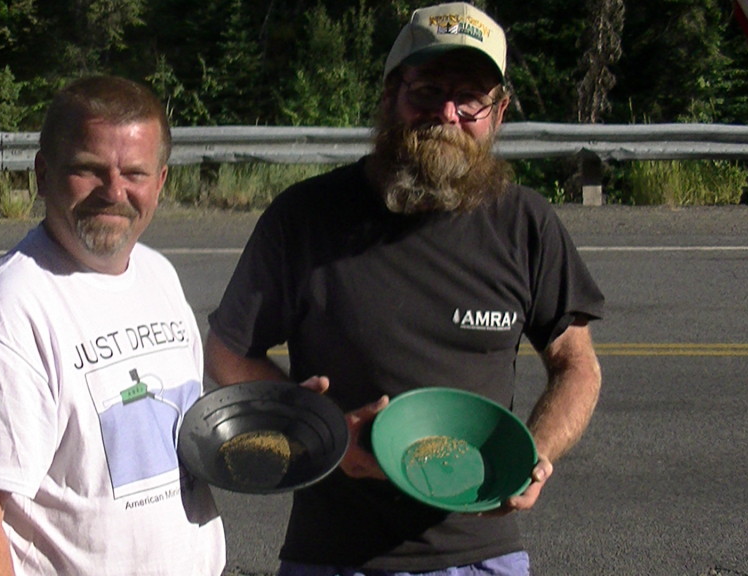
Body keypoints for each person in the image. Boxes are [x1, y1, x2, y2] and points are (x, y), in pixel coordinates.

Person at [204, 3, 604, 575]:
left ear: (498, 112)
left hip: (482, 556)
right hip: (336, 556)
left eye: (470, 98)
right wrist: (326, 429)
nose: (447, 113)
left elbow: (577, 364)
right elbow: (226, 352)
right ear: (392, 93)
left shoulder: (524, 223)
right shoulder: (308, 217)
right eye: (427, 90)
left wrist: (536, 453)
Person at [0, 76, 224, 576]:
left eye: (134, 173)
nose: (113, 192)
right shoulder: (6, 309)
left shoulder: (159, 275)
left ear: (161, 182)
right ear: (42, 174)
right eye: (89, 170)